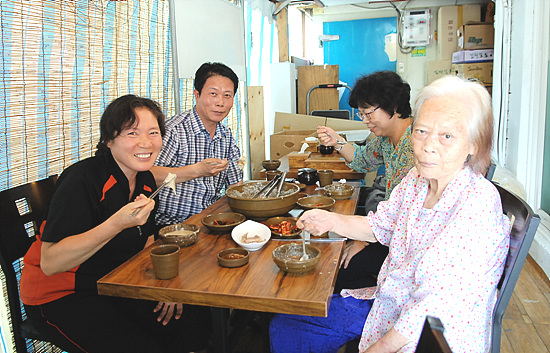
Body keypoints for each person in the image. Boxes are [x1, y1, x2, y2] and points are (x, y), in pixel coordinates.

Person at [270, 76, 511, 353]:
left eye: (447, 136)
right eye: (421, 132)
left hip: (426, 338)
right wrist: (330, 220)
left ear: (473, 145)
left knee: (293, 322)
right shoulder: (416, 180)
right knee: (288, 320)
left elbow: (435, 306)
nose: (428, 145)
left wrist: (378, 348)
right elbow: (380, 226)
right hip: (391, 301)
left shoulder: (476, 204)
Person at [20, 95, 211, 353]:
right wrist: (117, 223)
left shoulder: (143, 178)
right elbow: (51, 262)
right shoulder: (83, 179)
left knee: (193, 321)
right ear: (109, 139)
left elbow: (147, 243)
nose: (146, 142)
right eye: (132, 133)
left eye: (153, 132)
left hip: (114, 281)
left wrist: (166, 286)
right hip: (61, 295)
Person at [317, 71, 415, 292]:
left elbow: (407, 213)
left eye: (368, 114)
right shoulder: (386, 140)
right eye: (362, 115)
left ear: (395, 106)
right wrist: (337, 141)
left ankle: (387, 300)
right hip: (389, 230)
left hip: (407, 245)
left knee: (339, 270)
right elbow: (361, 161)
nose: (366, 121)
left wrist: (364, 240)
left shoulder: (418, 144)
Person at [152, 62, 243, 226]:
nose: (220, 103)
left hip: (212, 222)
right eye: (213, 94)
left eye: (227, 96)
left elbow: (235, 185)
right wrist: (197, 170)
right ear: (197, 95)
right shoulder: (174, 130)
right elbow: (150, 175)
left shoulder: (226, 136)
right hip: (172, 227)